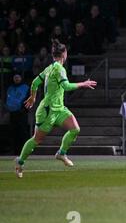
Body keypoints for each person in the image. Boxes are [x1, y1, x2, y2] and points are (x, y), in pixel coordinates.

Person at [14, 40, 97, 179]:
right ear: (64, 54)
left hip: (59, 108)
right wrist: (83, 83)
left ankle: (61, 153)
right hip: (48, 111)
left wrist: (33, 97)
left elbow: (35, 83)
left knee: (75, 129)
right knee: (37, 140)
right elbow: (67, 87)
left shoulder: (49, 67)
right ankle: (19, 162)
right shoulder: (59, 68)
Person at [6, 74, 29, 155]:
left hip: (21, 113)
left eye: (18, 77)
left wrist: (24, 109)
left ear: (21, 78)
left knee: (22, 132)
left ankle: (24, 150)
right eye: (15, 77)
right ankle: (14, 150)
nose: (16, 79)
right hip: (12, 113)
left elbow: (28, 99)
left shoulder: (25, 87)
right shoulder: (10, 88)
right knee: (13, 132)